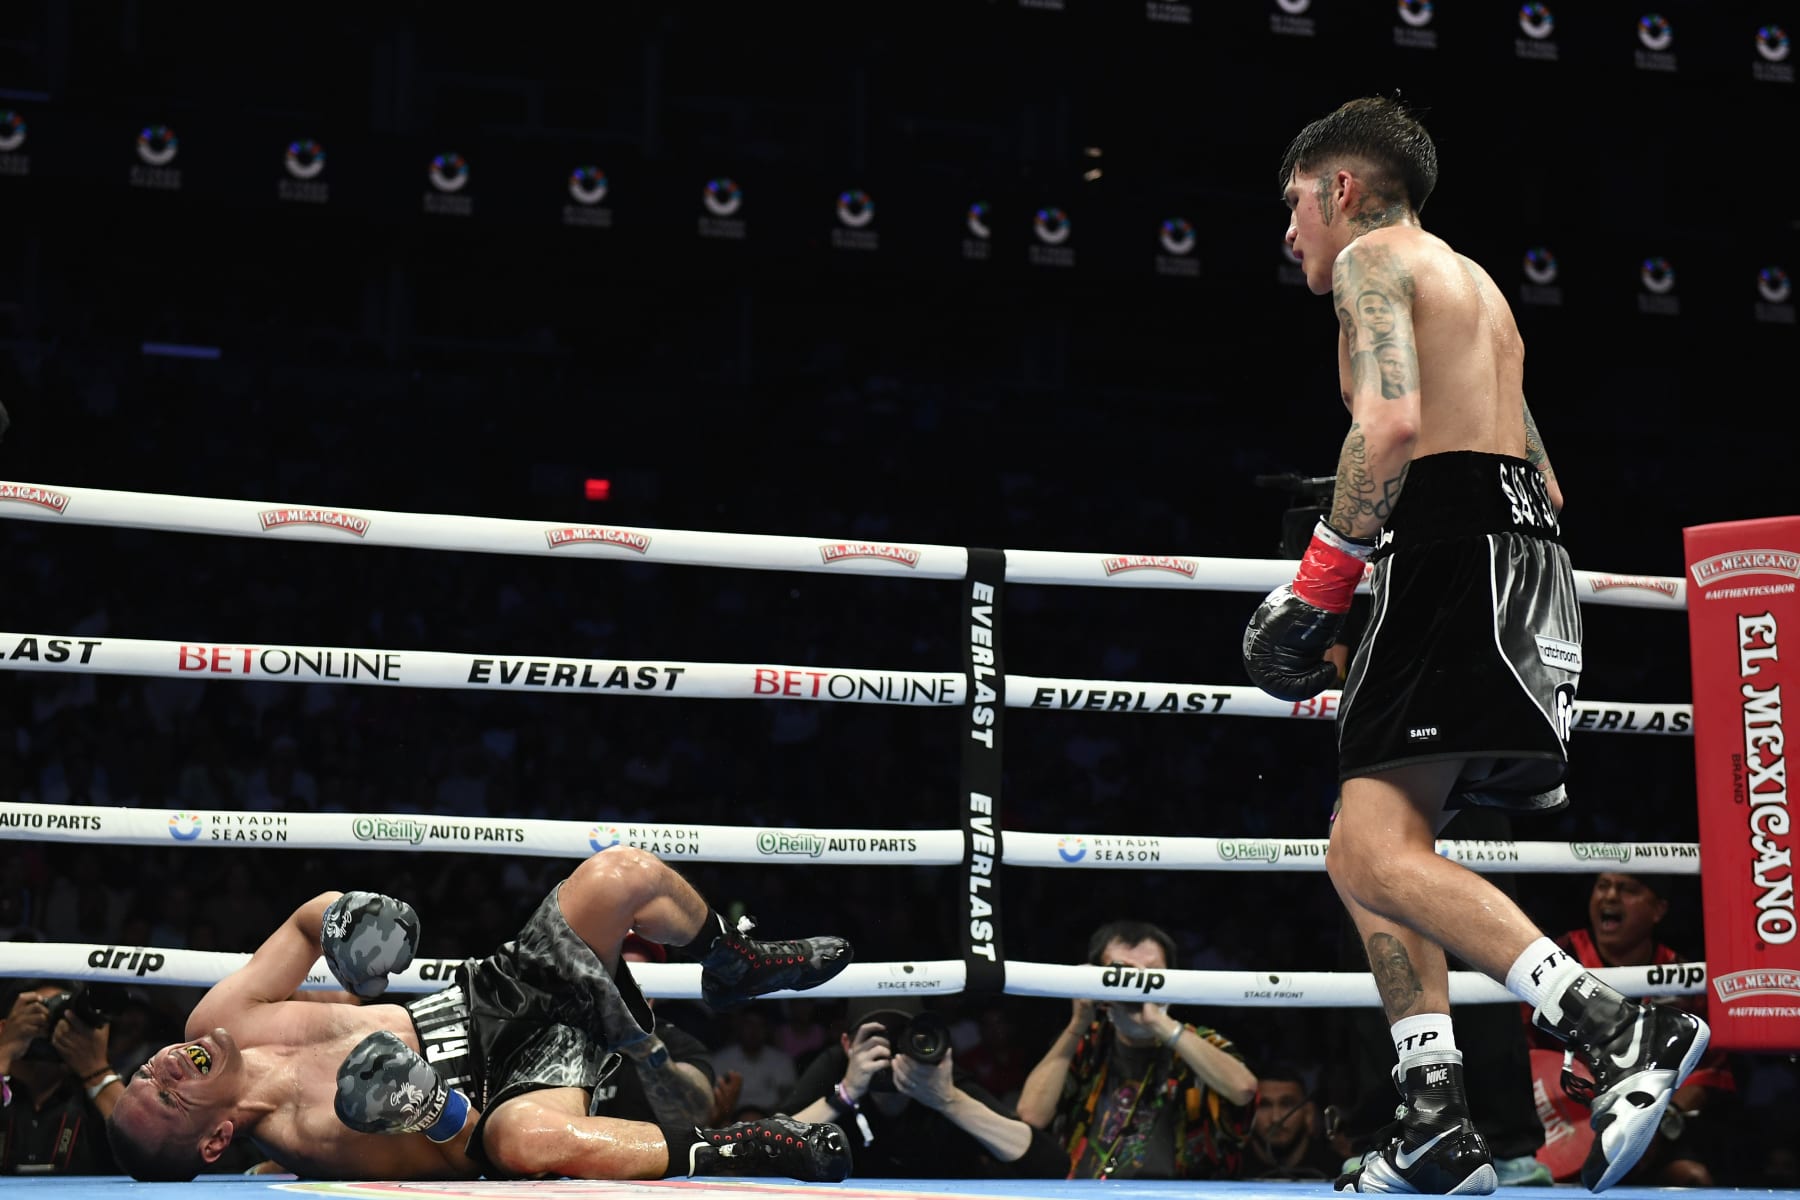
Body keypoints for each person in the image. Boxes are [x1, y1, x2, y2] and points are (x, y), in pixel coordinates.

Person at [1242, 94, 1708, 1194]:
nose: (1290, 231)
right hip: (1518, 561)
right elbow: (1545, 478)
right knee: (1364, 849)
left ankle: (1616, 1028)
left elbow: (1391, 426)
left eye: (1294, 205)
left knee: (1372, 851)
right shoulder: (1478, 288)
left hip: (1455, 561)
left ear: (1341, 189)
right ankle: (1435, 1118)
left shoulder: (1374, 261)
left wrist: (1317, 587)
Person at [104, 845, 855, 1183]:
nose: (164, 1064)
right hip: (517, 1082)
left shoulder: (217, 1019)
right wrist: (433, 1108)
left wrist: (344, 919)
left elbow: (306, 925)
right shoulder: (311, 1136)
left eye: (144, 1073)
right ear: (216, 1141)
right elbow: (468, 1157)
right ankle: (739, 1146)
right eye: (169, 1095)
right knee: (526, 1143)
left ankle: (732, 956)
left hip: (492, 992)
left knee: (619, 874)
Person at [1524, 872, 1736, 1186]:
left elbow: (1707, 1072)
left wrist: (1656, 1122)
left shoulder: (1680, 975)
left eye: (1628, 889)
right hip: (1560, 1121)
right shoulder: (1560, 960)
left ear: (1658, 910)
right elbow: (1521, 1049)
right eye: (1603, 886)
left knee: (1691, 1177)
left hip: (1655, 1120)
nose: (1610, 897)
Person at [1015, 920, 1258, 1180]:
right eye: (1125, 973)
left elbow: (1244, 1089)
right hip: (1087, 1193)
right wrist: (1077, 1023)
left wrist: (1158, 1022)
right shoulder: (1086, 1042)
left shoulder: (1199, 1043)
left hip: (1180, 1194)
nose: (1138, 986)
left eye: (1153, 974)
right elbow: (1031, 1116)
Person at [781, 997, 1065, 1178]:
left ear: (926, 1040)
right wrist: (844, 1094)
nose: (889, 1049)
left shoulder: (938, 1077)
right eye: (876, 1036)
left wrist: (950, 1102)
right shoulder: (835, 1067)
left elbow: (1052, 1165)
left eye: (900, 1035)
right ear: (848, 1045)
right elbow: (766, 1150)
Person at [0, 981, 124, 1173]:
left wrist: (97, 1070)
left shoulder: (95, 1099)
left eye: (63, 1019)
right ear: (5, 1027)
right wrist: (4, 1052)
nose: (51, 1025)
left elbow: (146, 1150)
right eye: (37, 1013)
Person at [1244, 1063, 1344, 1182]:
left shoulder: (1338, 1172)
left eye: (1287, 1104)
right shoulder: (1232, 1168)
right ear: (1249, 1113)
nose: (1276, 1118)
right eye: (1264, 1105)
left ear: (1309, 1113)